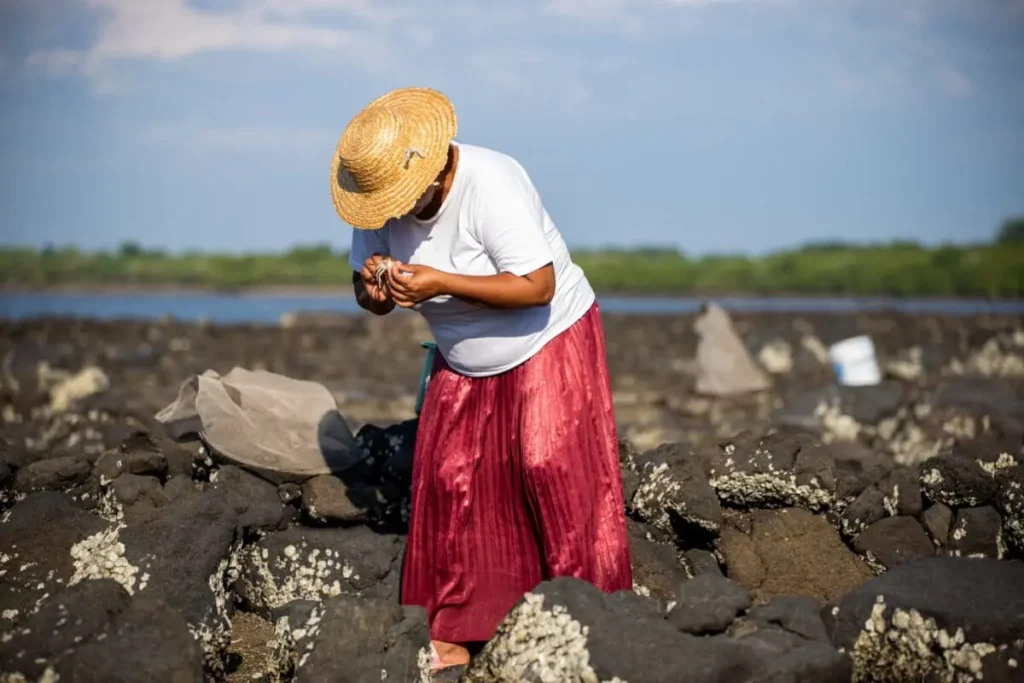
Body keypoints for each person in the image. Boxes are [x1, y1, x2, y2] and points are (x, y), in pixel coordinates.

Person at [330, 86, 633, 676]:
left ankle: (588, 620)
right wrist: (375, 290)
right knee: (448, 480)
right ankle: (459, 629)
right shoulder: (377, 206)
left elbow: (536, 286)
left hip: (547, 335)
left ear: (432, 168)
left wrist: (440, 282)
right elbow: (369, 302)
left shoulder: (490, 182)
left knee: (551, 466)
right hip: (463, 355)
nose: (390, 212)